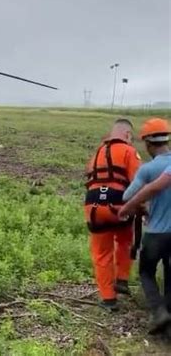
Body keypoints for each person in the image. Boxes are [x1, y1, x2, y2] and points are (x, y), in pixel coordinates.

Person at [84, 119, 142, 311]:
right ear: (127, 135)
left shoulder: (97, 153)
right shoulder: (129, 151)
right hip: (119, 205)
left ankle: (108, 299)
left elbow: (90, 177)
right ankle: (122, 279)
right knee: (125, 241)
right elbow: (138, 182)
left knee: (101, 254)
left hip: (93, 206)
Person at [120, 118, 171, 334]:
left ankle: (158, 311)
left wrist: (138, 206)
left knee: (146, 273)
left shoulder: (148, 169)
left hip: (155, 233)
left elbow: (127, 196)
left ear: (148, 144)